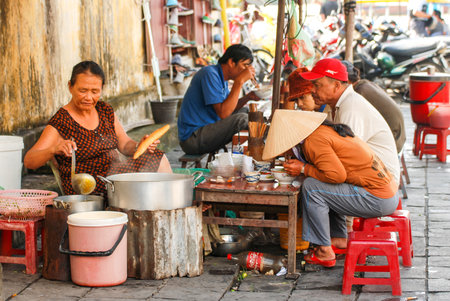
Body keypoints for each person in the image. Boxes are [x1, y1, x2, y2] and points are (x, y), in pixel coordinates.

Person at [262, 110, 399, 267]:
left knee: (312, 188)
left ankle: (324, 251)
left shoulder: (313, 140)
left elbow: (336, 176)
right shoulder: (323, 131)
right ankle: (339, 238)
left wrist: (304, 169)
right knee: (322, 185)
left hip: (378, 199)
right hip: (388, 193)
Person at [24, 61, 172, 196]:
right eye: (83, 90)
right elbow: (29, 161)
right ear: (70, 86)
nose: (89, 97)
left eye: (95, 92)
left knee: (158, 158)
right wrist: (54, 149)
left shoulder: (104, 110)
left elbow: (125, 144)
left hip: (115, 176)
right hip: (87, 187)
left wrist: (139, 146)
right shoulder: (61, 121)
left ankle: (168, 208)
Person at [300, 58, 400, 185]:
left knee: (311, 186)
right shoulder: (334, 106)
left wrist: (305, 168)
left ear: (336, 86)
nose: (312, 90)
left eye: (317, 85)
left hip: (380, 183)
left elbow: (347, 159)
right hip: (368, 177)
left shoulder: (351, 107)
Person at [177, 44, 260, 155]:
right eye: (244, 65)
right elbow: (223, 113)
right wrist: (239, 82)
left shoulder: (222, 78)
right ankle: (265, 143)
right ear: (231, 62)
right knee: (242, 119)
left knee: (247, 112)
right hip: (192, 138)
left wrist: (248, 97)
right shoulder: (209, 74)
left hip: (205, 131)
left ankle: (262, 141)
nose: (246, 70)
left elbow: (229, 108)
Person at [342, 61, 406, 153]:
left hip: (393, 142)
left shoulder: (358, 93)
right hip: (398, 137)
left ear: (347, 81)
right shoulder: (365, 84)